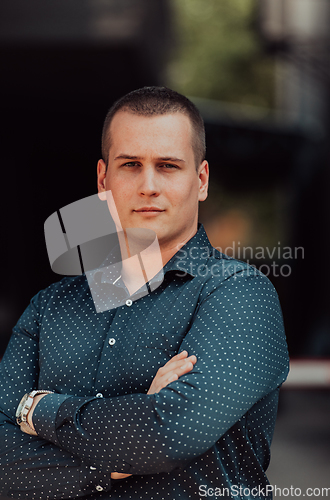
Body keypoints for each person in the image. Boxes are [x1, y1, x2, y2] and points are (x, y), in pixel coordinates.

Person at [0, 86, 289, 500]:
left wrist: (35, 410)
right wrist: (126, 442)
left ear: (201, 180)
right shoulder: (50, 307)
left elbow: (168, 435)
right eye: (130, 164)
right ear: (104, 180)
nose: (148, 185)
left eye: (168, 166)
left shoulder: (241, 296)